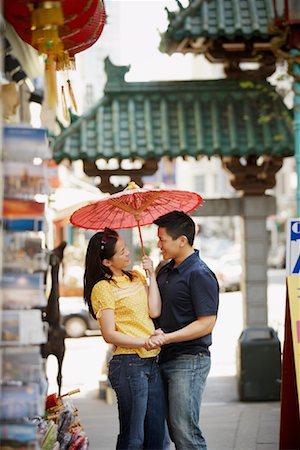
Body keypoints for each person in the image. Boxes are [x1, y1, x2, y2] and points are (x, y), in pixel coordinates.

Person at [83, 227, 165, 450]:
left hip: (152, 362)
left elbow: (154, 311)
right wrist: (144, 341)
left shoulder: (136, 276)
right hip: (129, 365)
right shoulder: (102, 288)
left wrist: (152, 275)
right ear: (107, 262)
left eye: (126, 248)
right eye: (121, 252)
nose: (128, 253)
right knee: (133, 437)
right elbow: (109, 334)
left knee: (158, 437)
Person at [152, 210, 219, 450]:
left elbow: (206, 322)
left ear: (182, 240)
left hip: (189, 359)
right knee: (170, 430)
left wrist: (168, 338)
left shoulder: (199, 274)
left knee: (184, 431)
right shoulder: (165, 270)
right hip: (163, 358)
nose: (159, 245)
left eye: (162, 240)